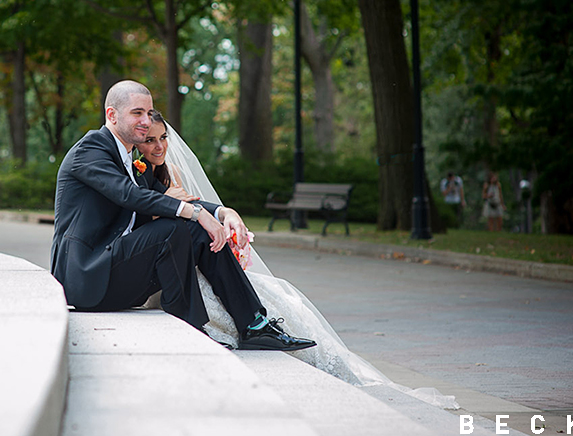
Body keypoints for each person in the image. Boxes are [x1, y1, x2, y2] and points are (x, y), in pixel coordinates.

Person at [134, 114, 458, 407]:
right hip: (169, 264)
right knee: (214, 261)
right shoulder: (136, 174)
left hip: (196, 256)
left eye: (163, 138)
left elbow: (194, 208)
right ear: (138, 143)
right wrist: (164, 204)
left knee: (273, 290)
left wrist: (223, 212)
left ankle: (260, 326)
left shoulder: (170, 171)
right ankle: (247, 325)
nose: (159, 146)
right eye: (150, 140)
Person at [50, 80, 314, 352]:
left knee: (196, 230)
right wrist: (196, 214)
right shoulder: (90, 150)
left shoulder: (131, 161)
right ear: (112, 115)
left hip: (117, 271)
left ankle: (254, 325)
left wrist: (223, 213)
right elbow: (129, 195)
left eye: (148, 113)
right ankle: (192, 330)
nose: (145, 120)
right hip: (89, 278)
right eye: (137, 113)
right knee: (173, 229)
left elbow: (168, 196)